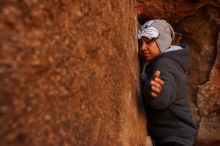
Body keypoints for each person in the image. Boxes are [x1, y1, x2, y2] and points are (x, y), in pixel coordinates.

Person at [138, 19, 197, 146]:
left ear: (162, 41)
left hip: (175, 138)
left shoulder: (166, 64)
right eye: (141, 43)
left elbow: (167, 89)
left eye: (148, 41)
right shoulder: (163, 60)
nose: (143, 48)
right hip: (173, 135)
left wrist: (158, 92)